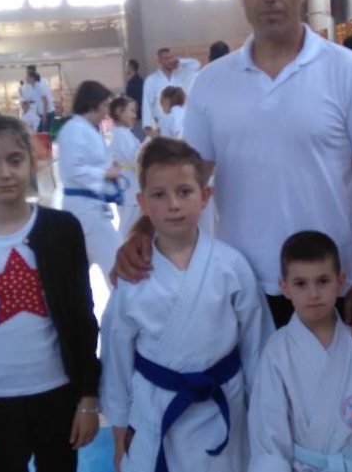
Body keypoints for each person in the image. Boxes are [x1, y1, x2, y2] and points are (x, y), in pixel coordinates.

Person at [114, 0, 352, 342]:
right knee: (247, 386)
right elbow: (187, 180)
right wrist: (143, 231)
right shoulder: (211, 84)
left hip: (325, 285)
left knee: (331, 385)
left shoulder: (348, 73)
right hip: (239, 285)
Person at [0, 115, 100, 472]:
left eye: (14, 160)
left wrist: (88, 398)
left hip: (57, 394)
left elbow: (82, 318)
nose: (5, 173)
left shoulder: (62, 229)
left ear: (32, 161)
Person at [100, 137, 273, 472]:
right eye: (159, 195)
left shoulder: (232, 266)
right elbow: (116, 356)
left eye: (184, 192)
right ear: (142, 203)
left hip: (222, 407)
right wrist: (119, 427)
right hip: (156, 408)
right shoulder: (133, 276)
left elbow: (256, 347)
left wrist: (263, 417)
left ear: (205, 196)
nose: (173, 205)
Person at [248, 231, 352, 472]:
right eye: (300, 284)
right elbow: (269, 434)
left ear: (340, 281)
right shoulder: (277, 353)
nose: (313, 294)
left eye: (323, 281)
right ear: (284, 287)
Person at [57, 80, 124, 286]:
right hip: (85, 209)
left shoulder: (85, 129)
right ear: (92, 103)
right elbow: (73, 170)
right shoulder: (74, 129)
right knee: (117, 264)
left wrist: (108, 168)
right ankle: (122, 303)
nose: (106, 112)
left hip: (90, 207)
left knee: (77, 271)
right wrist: (106, 173)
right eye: (104, 105)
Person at [141, 47, 201, 135]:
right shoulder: (151, 80)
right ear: (159, 61)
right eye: (166, 59)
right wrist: (147, 125)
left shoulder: (181, 75)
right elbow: (146, 103)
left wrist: (179, 61)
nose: (169, 61)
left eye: (171, 57)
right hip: (160, 123)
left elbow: (196, 65)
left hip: (179, 121)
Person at [109, 95, 142, 242]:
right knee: (128, 228)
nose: (135, 115)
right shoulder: (120, 135)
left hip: (132, 186)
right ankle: (120, 251)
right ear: (119, 111)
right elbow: (135, 159)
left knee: (132, 226)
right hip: (129, 188)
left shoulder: (125, 134)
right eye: (132, 110)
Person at [26, 67, 56, 133]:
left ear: (32, 78)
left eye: (27, 77)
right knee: (40, 132)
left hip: (47, 113)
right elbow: (33, 100)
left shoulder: (39, 86)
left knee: (45, 133)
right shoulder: (33, 87)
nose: (26, 79)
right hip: (42, 113)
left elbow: (46, 101)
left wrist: (44, 115)